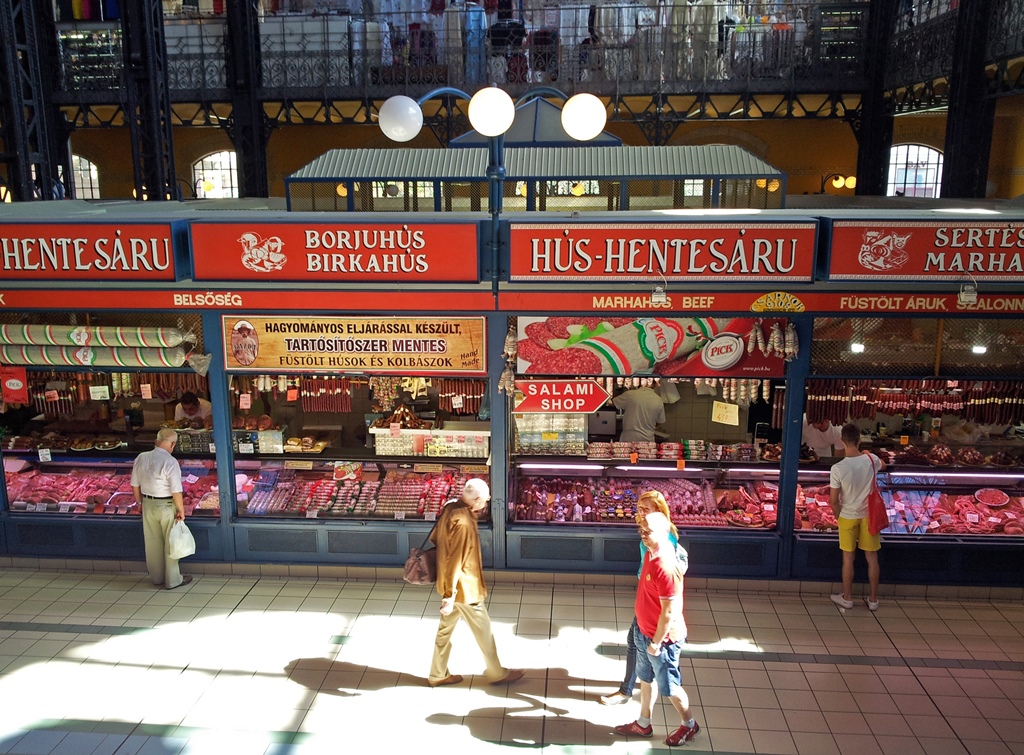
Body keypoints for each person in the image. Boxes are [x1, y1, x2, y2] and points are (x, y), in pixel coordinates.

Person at [613, 512, 700, 747]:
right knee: (645, 679)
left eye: (648, 530)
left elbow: (670, 612)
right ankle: (643, 723)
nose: (643, 533)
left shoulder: (666, 566)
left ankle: (689, 724)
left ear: (664, 533)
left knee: (670, 687)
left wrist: (656, 643)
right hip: (645, 632)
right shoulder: (651, 553)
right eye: (641, 529)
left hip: (663, 641)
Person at [428, 478, 524, 687]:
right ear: (478, 499)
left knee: (444, 632)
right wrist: (450, 595)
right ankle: (497, 672)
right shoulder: (462, 521)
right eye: (486, 500)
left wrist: (447, 592)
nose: (486, 504)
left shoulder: (451, 509)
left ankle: (438, 673)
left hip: (450, 585)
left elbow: (436, 538)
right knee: (484, 631)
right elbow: (455, 560)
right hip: (464, 588)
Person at [601, 490, 688, 706]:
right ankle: (637, 695)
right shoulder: (653, 535)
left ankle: (630, 690)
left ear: (658, 513)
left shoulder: (664, 540)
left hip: (653, 601)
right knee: (635, 642)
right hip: (647, 594)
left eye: (645, 509)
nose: (640, 512)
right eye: (639, 508)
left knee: (643, 646)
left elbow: (668, 593)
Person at [829, 423, 885, 611]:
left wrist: (839, 518)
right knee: (872, 557)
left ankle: (847, 598)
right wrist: (869, 454)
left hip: (847, 516)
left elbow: (834, 500)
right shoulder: (871, 460)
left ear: (841, 441)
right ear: (860, 440)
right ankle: (873, 599)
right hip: (869, 515)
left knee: (848, 558)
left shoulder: (838, 468)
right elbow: (883, 465)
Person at [131, 428, 191, 590]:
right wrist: (181, 510)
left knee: (152, 543)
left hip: (148, 504)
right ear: (173, 444)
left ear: (156, 441)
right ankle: (172, 580)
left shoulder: (141, 457)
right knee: (171, 543)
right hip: (166, 506)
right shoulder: (170, 462)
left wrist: (139, 504)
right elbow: (176, 490)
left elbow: (135, 485)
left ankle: (156, 578)